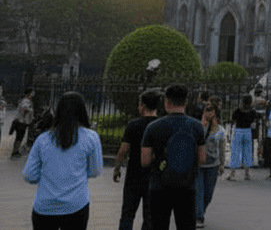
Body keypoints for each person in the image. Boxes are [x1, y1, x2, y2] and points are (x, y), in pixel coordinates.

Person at [22, 91, 102, 230]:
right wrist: (77, 174)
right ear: (82, 111)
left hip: (45, 207)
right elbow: (95, 170)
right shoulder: (91, 137)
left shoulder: (43, 139)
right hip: (76, 205)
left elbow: (29, 175)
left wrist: (47, 178)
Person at [141, 84, 207, 230]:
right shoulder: (196, 126)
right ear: (185, 102)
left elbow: (144, 161)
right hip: (187, 186)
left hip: (159, 186)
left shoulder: (153, 127)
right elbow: (202, 159)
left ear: (166, 102)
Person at [113, 89, 161, 230]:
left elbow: (123, 151)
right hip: (154, 176)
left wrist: (117, 168)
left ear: (143, 106)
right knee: (150, 215)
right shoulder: (160, 126)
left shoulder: (133, 125)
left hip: (134, 175)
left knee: (128, 213)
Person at [194, 104, 225, 228]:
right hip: (199, 165)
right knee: (199, 192)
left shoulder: (220, 130)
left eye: (211, 111)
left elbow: (222, 147)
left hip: (213, 164)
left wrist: (222, 163)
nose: (209, 114)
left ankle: (200, 211)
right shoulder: (198, 127)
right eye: (207, 111)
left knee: (208, 194)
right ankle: (199, 216)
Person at [226, 95, 256, 181]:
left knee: (235, 151)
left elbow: (233, 119)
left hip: (239, 131)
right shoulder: (252, 111)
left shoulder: (238, 110)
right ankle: (247, 173)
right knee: (247, 151)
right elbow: (253, 120)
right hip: (247, 131)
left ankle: (232, 173)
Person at [11, 87, 35, 158]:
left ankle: (16, 151)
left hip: (22, 122)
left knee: (19, 137)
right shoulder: (25, 100)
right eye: (32, 92)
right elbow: (23, 108)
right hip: (21, 122)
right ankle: (14, 152)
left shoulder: (26, 100)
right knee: (19, 137)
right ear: (29, 93)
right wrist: (30, 109)